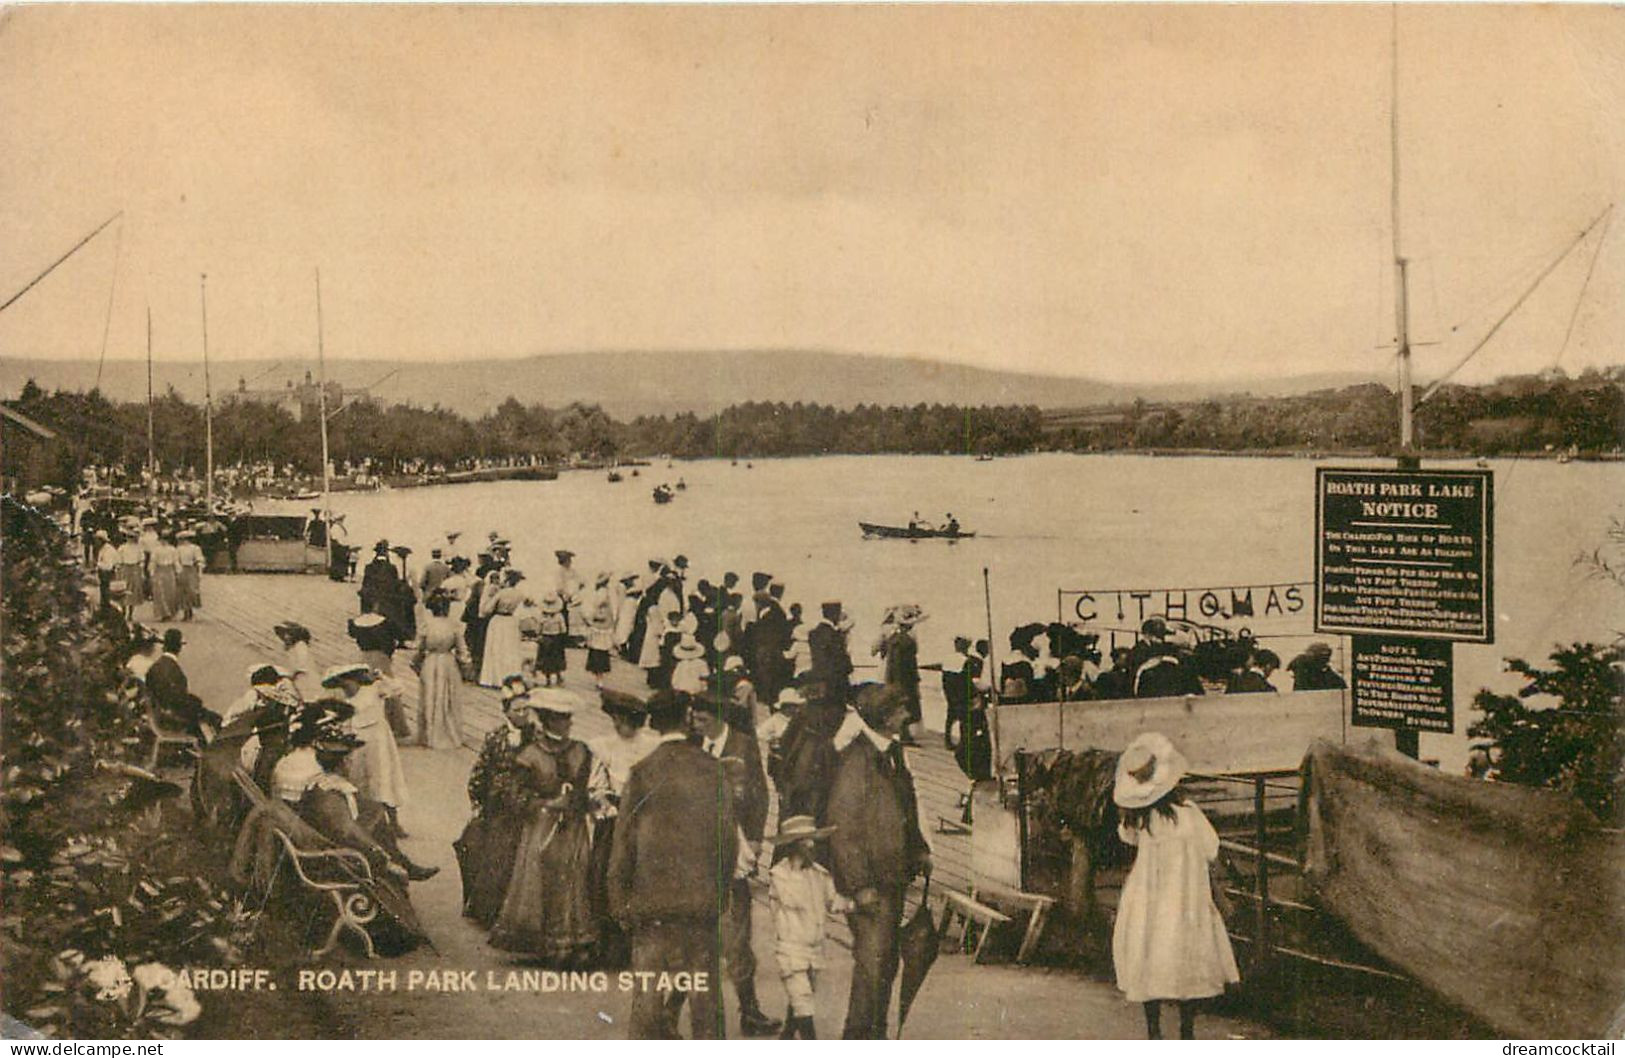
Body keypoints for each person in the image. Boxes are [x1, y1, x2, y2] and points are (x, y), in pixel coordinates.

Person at [608, 690, 738, 1039]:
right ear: (686, 718)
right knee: (705, 996)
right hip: (699, 901)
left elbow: (623, 844)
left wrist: (620, 900)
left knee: (648, 994)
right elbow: (728, 840)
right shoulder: (713, 770)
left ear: (652, 722)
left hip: (651, 901)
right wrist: (720, 894)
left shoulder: (641, 773)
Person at [1111, 732, 1239, 1039]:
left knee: (1147, 950)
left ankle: (1154, 1029)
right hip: (1185, 895)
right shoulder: (1189, 814)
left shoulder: (1140, 822)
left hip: (1148, 895)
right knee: (1185, 953)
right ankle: (1186, 1029)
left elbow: (1125, 838)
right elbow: (1210, 849)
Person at [825, 687, 931, 1039]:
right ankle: (858, 1036)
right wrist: (859, 885)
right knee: (873, 964)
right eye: (901, 710)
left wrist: (919, 849)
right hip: (872, 883)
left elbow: (907, 806)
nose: (907, 716)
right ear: (884, 718)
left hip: (891, 877)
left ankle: (875, 1034)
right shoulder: (857, 761)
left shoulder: (890, 753)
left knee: (884, 963)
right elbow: (844, 829)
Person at [690, 693, 780, 1037]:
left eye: (700, 719)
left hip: (735, 846)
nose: (695, 725)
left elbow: (759, 793)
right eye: (693, 719)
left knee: (737, 934)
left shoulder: (743, 744)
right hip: (699, 849)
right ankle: (669, 1012)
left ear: (716, 717)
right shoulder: (692, 745)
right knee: (695, 937)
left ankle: (750, 1010)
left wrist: (756, 838)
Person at [489, 689, 598, 965]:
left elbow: (586, 789)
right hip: (541, 826)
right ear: (550, 720)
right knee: (541, 878)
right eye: (563, 718)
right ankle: (546, 942)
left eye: (569, 717)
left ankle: (573, 940)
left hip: (572, 828)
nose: (569, 723)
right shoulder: (529, 755)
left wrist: (580, 801)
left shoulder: (580, 751)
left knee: (573, 876)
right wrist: (547, 804)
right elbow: (514, 797)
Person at [585, 690, 659, 967]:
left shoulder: (651, 746)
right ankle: (609, 946)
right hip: (615, 817)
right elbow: (596, 785)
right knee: (606, 874)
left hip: (644, 817)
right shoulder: (603, 746)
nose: (619, 724)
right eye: (616, 719)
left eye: (625, 719)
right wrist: (604, 804)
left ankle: (639, 945)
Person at [455, 682, 532, 927]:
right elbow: (479, 772)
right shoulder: (495, 737)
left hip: (525, 803)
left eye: (527, 710)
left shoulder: (535, 737)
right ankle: (488, 909)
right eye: (518, 710)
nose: (523, 715)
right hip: (498, 805)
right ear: (506, 711)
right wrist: (477, 801)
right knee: (493, 854)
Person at [767, 815, 850, 1040]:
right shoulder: (780, 876)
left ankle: (786, 1037)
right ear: (794, 846)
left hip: (814, 948)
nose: (812, 846)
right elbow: (792, 898)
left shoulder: (819, 875)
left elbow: (833, 901)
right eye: (806, 841)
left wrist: (853, 903)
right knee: (803, 1003)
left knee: (803, 999)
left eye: (813, 840)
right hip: (791, 948)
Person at [322, 664, 410, 832]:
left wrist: (382, 677)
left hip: (379, 744)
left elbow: (398, 688)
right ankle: (368, 822)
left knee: (385, 781)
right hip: (359, 747)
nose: (345, 686)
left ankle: (394, 823)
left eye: (346, 682)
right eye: (340, 684)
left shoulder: (374, 689)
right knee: (360, 783)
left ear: (354, 679)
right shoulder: (343, 701)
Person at [410, 591, 468, 748]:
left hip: (431, 661)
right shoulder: (454, 625)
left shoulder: (426, 625)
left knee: (430, 695)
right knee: (447, 697)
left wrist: (415, 662)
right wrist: (464, 664)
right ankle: (448, 732)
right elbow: (462, 650)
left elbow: (419, 648)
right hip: (448, 662)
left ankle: (429, 734)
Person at [146, 628, 216, 737]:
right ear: (179, 648)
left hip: (158, 712)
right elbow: (178, 700)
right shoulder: (174, 669)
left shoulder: (156, 666)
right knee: (213, 719)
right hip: (172, 716)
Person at [479, 568, 531, 688]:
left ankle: (494, 678)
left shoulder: (501, 593)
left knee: (496, 649)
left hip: (498, 621)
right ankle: (510, 676)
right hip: (511, 622)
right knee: (510, 650)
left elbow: (487, 610)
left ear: (507, 580)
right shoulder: (519, 594)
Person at [882, 606, 925, 744]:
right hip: (906, 680)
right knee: (911, 710)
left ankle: (902, 735)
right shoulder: (907, 641)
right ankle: (905, 736)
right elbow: (908, 664)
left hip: (893, 678)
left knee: (900, 708)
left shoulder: (893, 638)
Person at [808, 602, 854, 705]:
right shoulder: (834, 635)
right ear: (835, 614)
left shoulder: (814, 633)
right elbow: (843, 662)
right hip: (835, 683)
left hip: (818, 681)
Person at [274, 621, 321, 701]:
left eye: (287, 634)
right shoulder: (291, 648)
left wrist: (288, 676)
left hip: (305, 678)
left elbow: (302, 665)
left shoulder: (300, 645)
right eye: (281, 634)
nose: (284, 637)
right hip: (298, 678)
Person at [534, 592, 569, 686]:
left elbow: (538, 629)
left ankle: (548, 679)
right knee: (556, 659)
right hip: (556, 639)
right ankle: (558, 677)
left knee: (546, 660)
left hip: (546, 639)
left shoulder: (542, 616)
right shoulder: (559, 616)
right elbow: (563, 629)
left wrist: (539, 635)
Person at [148, 532, 180, 622]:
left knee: (170, 592)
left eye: (165, 539)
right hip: (159, 570)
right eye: (162, 539)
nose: (164, 541)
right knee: (160, 592)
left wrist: (178, 572)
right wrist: (152, 572)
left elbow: (176, 561)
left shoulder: (173, 549)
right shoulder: (156, 550)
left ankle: (170, 613)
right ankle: (163, 613)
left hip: (169, 571)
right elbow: (153, 561)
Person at [175, 529, 205, 620]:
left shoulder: (195, 548)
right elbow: (176, 560)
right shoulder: (178, 549)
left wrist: (200, 571)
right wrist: (178, 570)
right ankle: (185, 611)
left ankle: (190, 610)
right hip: (182, 569)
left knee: (191, 590)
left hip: (191, 569)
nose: (183, 541)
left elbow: (199, 560)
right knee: (182, 590)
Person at [94, 530, 120, 612]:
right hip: (103, 575)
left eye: (97, 540)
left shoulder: (108, 550)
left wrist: (98, 564)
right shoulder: (102, 549)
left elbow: (108, 566)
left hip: (107, 575)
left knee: (107, 594)